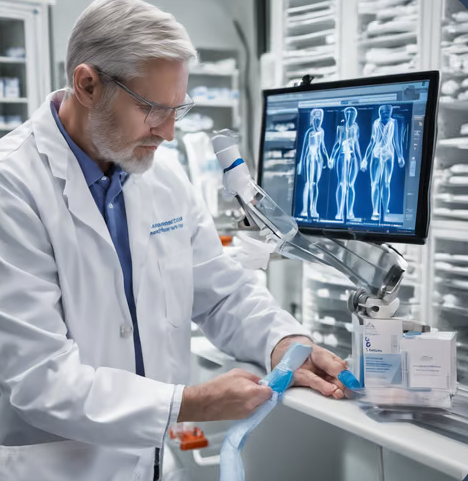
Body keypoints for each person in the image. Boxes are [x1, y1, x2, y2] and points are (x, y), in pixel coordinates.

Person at [0, 1, 348, 480]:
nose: (168, 131)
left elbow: (222, 293)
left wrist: (282, 341)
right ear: (87, 84)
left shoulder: (161, 174)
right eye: (152, 109)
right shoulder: (12, 185)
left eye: (178, 109)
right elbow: (39, 381)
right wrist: (190, 402)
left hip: (155, 467)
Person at [361, 104, 406, 221]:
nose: (384, 114)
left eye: (386, 112)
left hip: (389, 154)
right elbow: (372, 140)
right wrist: (365, 158)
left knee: (386, 183)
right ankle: (375, 209)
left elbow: (396, 140)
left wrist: (400, 156)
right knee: (375, 183)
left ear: (390, 112)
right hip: (376, 153)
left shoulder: (394, 122)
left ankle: (385, 208)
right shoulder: (376, 123)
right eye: (382, 112)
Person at [329, 107, 363, 221]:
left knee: (350, 185)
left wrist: (361, 159)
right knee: (341, 183)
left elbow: (356, 143)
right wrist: (332, 158)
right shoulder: (340, 128)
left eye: (352, 114)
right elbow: (337, 143)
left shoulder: (355, 127)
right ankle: (339, 211)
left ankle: (349, 212)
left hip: (352, 157)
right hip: (342, 156)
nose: (350, 116)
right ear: (345, 115)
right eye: (347, 114)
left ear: (355, 116)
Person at [297, 109, 329, 219]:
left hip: (318, 159)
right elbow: (304, 149)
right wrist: (301, 163)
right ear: (312, 118)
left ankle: (313, 208)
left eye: (320, 117)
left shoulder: (322, 131)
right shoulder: (309, 132)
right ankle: (305, 209)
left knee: (315, 184)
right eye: (316, 117)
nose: (318, 119)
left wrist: (327, 159)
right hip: (309, 158)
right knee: (308, 183)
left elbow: (323, 147)